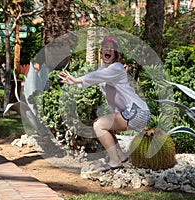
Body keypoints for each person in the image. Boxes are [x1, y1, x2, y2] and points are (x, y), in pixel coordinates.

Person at [58, 36, 150, 172]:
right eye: (105, 47)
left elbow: (94, 77)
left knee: (99, 125)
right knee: (104, 124)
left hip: (138, 112)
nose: (108, 49)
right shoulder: (102, 71)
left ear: (116, 53)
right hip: (132, 112)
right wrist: (75, 82)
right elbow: (95, 77)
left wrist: (77, 80)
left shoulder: (117, 67)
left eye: (112, 48)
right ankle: (121, 157)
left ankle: (114, 161)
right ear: (100, 51)